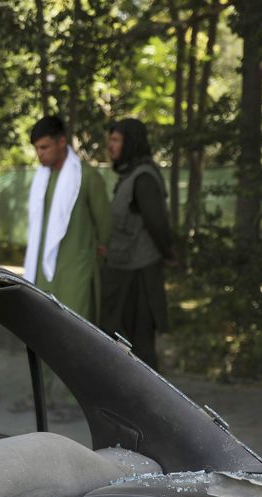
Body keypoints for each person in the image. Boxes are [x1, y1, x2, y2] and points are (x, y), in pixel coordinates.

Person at [100, 118, 176, 371]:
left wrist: (168, 253)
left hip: (141, 276)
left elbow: (157, 223)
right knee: (119, 341)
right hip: (123, 272)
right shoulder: (128, 176)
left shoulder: (143, 178)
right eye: (109, 140)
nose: (110, 146)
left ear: (130, 143)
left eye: (115, 140)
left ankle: (145, 405)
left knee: (140, 346)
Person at [23, 115, 111, 323]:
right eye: (37, 148)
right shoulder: (40, 180)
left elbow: (105, 227)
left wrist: (92, 254)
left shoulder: (87, 177)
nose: (39, 154)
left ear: (62, 141)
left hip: (76, 275)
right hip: (41, 274)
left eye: (44, 147)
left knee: (75, 334)